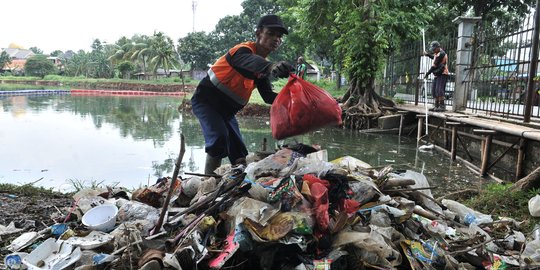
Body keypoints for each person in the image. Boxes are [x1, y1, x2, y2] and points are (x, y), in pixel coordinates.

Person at [191, 14, 294, 174]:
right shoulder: (242, 51)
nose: (276, 39)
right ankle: (207, 183)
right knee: (219, 139)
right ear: (258, 33)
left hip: (227, 112)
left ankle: (237, 182)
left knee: (239, 153)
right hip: (206, 102)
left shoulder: (262, 70)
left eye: (279, 37)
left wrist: (293, 99)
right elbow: (249, 61)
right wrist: (271, 66)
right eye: (270, 34)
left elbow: (268, 97)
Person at [424, 41, 449, 112]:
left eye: (434, 49)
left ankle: (442, 106)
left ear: (438, 47)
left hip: (442, 73)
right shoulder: (437, 53)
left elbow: (434, 66)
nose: (433, 50)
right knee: (434, 90)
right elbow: (434, 58)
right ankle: (436, 106)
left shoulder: (441, 53)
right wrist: (428, 55)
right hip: (437, 74)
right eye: (433, 49)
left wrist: (427, 74)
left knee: (439, 90)